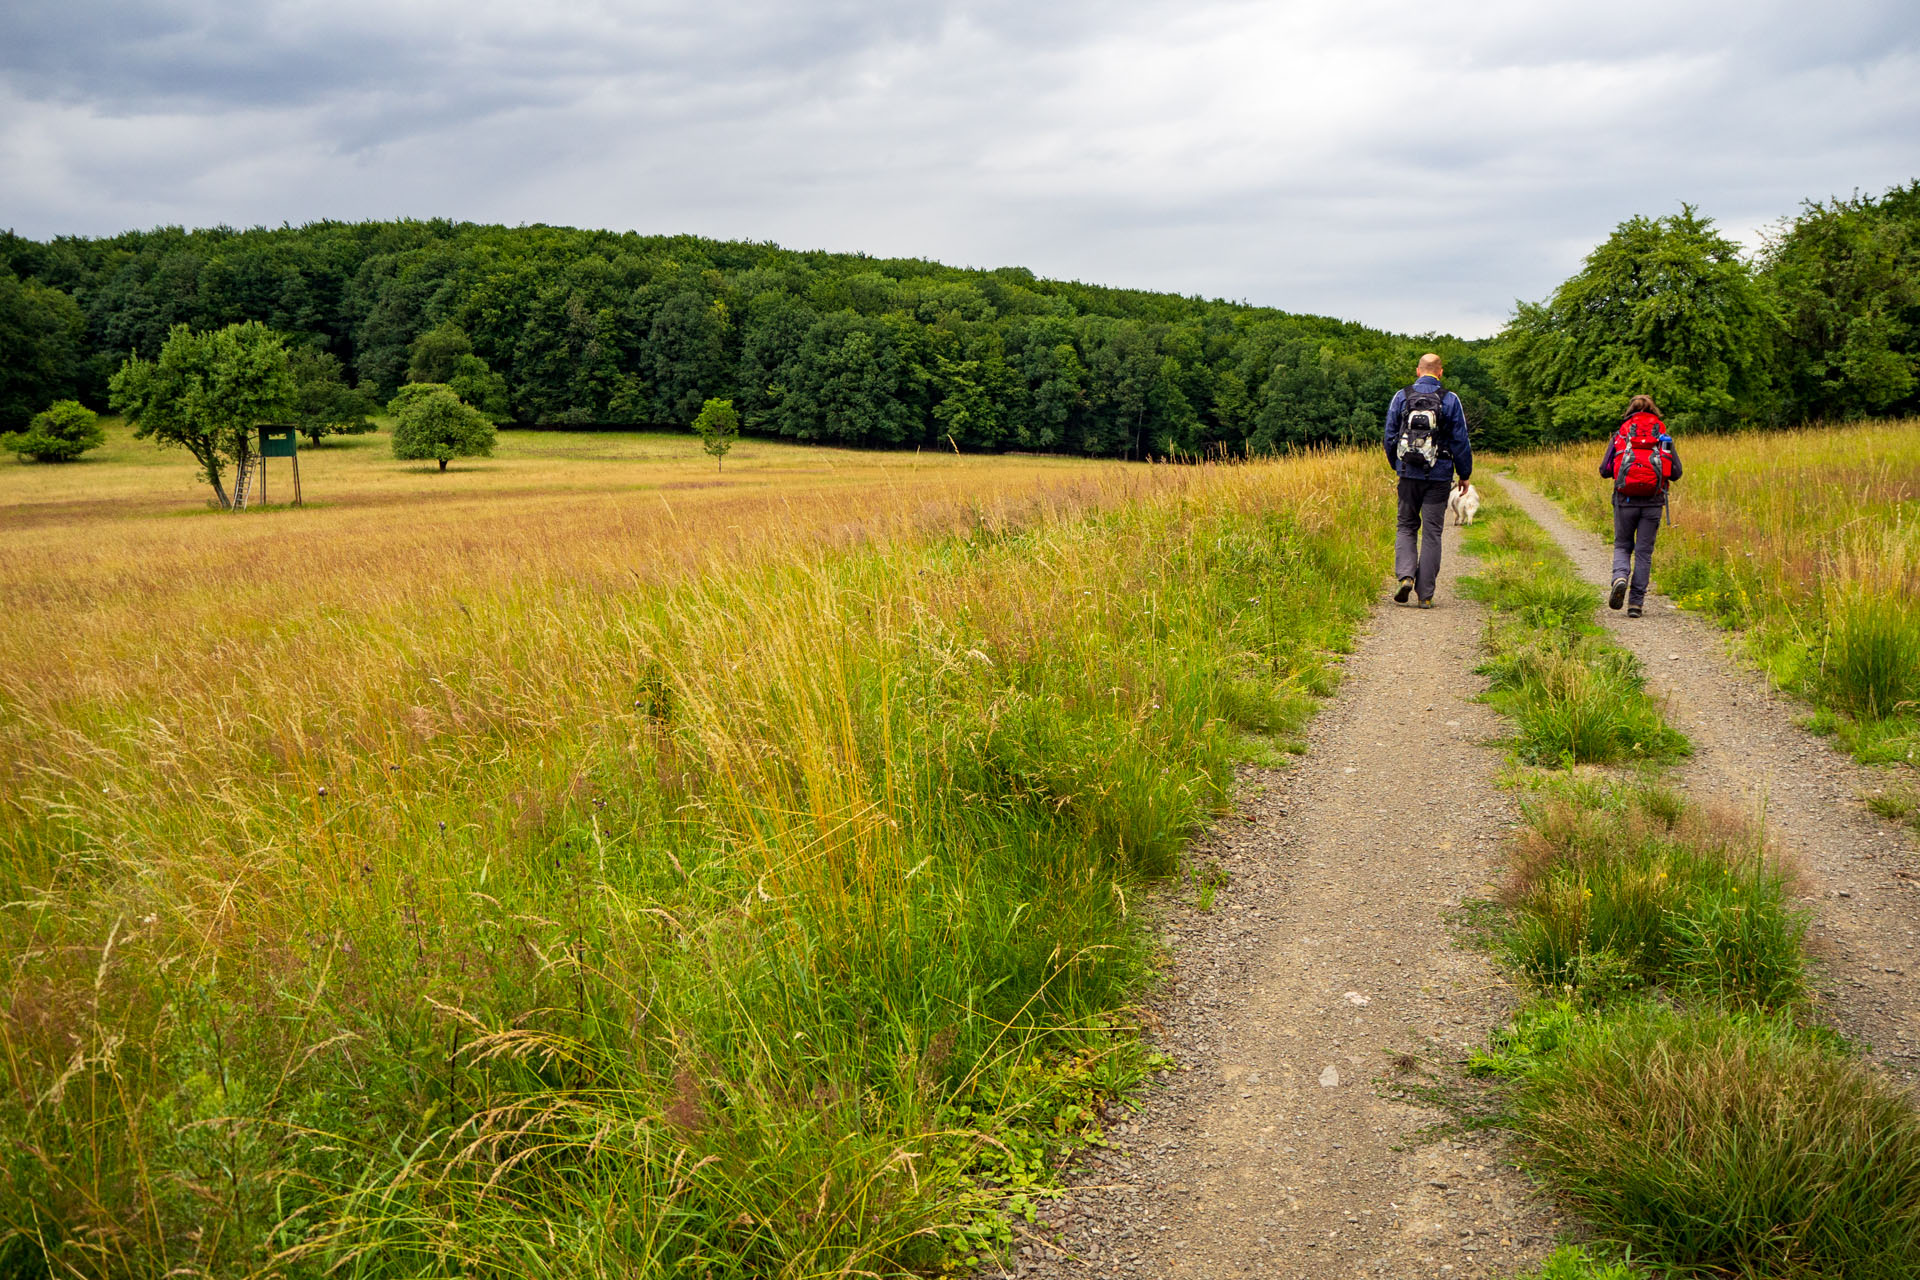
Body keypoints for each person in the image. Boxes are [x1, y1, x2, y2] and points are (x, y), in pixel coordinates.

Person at [1383, 353, 1473, 608]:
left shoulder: (1401, 396)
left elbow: (1389, 435)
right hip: (1439, 475)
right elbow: (1461, 440)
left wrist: (1398, 465)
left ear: (1418, 371)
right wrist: (1464, 474)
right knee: (1433, 532)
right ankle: (1425, 595)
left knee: (1406, 526)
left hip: (1408, 474)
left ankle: (1406, 576)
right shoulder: (1451, 399)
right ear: (1440, 372)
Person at [1599, 394, 1682, 618]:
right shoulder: (1662, 436)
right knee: (1644, 553)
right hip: (1653, 502)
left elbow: (1604, 469)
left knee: (1622, 546)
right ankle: (1636, 604)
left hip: (1624, 500)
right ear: (1654, 410)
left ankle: (1620, 577)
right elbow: (1676, 473)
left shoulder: (1622, 434)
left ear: (1630, 411)